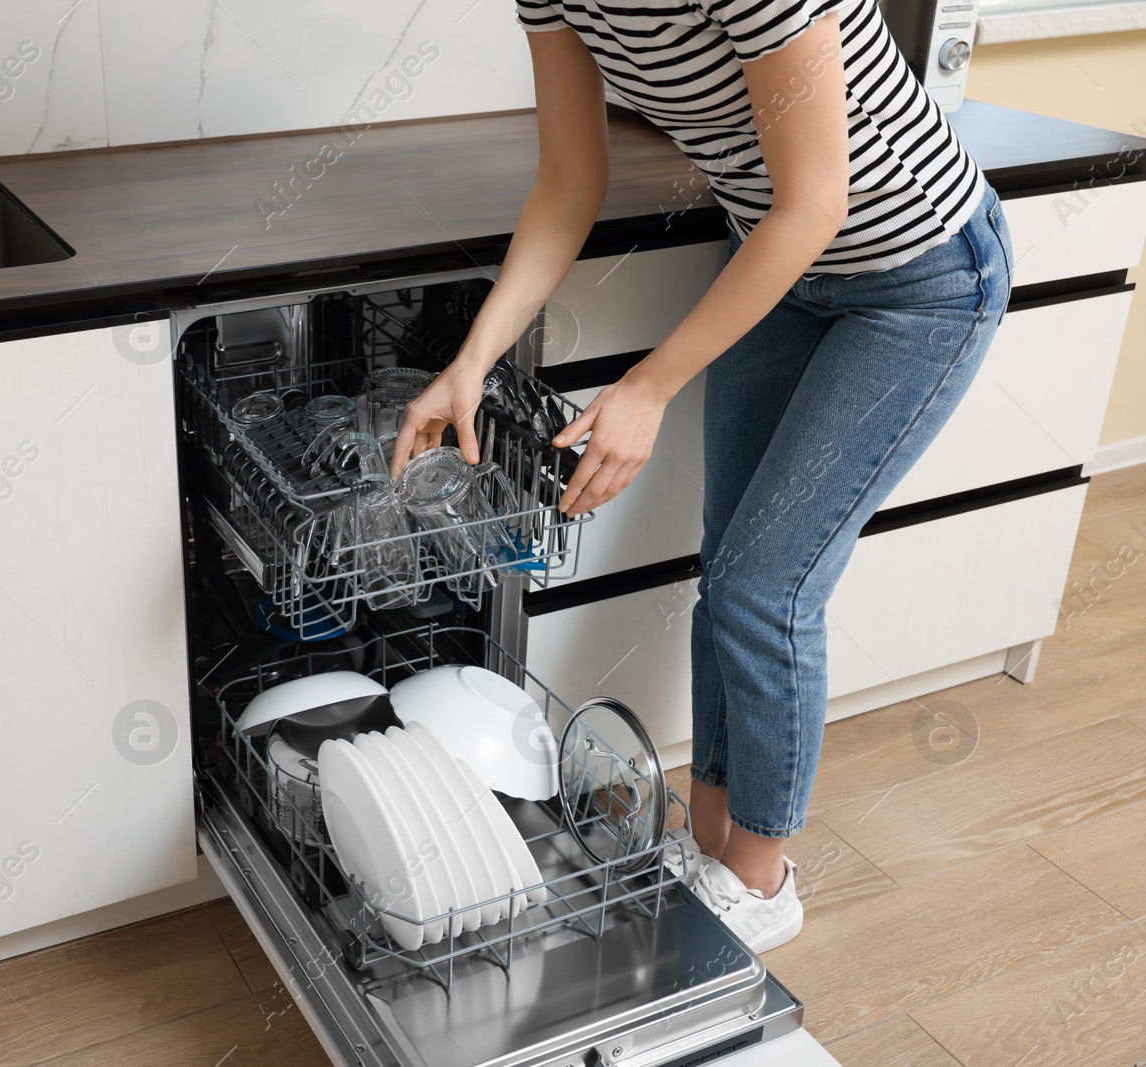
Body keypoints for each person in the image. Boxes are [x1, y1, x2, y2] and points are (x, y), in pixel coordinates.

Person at [389, 0, 1012, 952]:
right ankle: (713, 848)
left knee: (768, 590)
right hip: (779, 268)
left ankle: (762, 882)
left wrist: (649, 387)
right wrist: (474, 358)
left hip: (918, 278)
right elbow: (568, 178)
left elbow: (817, 199)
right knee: (728, 573)